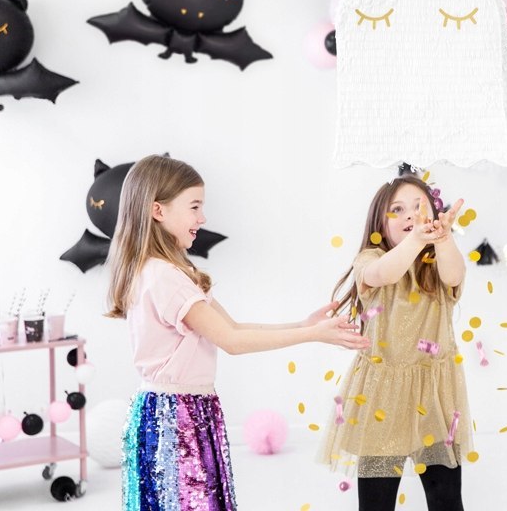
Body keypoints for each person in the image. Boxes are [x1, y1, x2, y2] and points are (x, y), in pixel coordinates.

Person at [106, 154, 369, 510]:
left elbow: (230, 328)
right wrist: (313, 335)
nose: (202, 218)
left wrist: (303, 325)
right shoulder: (165, 277)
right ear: (158, 210)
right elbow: (232, 342)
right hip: (176, 417)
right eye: (194, 206)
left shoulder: (162, 271)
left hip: (175, 410)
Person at [318, 174, 472, 511]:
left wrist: (444, 239)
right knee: (376, 501)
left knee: (446, 498)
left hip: (434, 394)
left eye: (419, 207)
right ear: (380, 223)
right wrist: (415, 240)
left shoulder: (437, 261)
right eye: (398, 210)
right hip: (381, 398)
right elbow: (383, 274)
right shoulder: (370, 259)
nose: (410, 215)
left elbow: (455, 275)